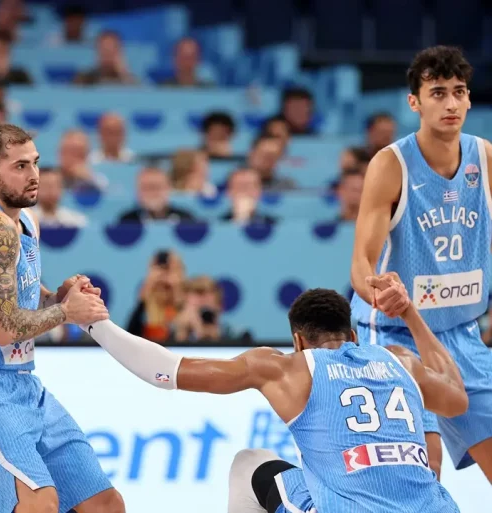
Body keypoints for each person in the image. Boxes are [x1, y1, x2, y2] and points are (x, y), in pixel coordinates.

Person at [81, 274, 465, 513]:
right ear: (353, 336)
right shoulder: (400, 361)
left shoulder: (287, 367)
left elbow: (166, 370)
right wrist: (410, 313)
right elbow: (458, 397)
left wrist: (95, 325)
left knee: (249, 463)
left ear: (298, 341)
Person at [0, 123, 124, 513]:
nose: (34, 174)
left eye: (35, 163)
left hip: (23, 382)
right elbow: (3, 328)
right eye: (20, 166)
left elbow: (22, 294)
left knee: (105, 504)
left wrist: (58, 296)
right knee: (39, 505)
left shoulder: (25, 219)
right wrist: (66, 312)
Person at [350, 44, 492, 481]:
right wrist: (378, 291)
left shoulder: (485, 157)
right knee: (422, 465)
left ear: (469, 99)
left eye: (458, 92)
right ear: (414, 102)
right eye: (437, 93)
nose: (450, 104)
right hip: (395, 332)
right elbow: (361, 262)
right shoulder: (391, 165)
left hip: (461, 330)